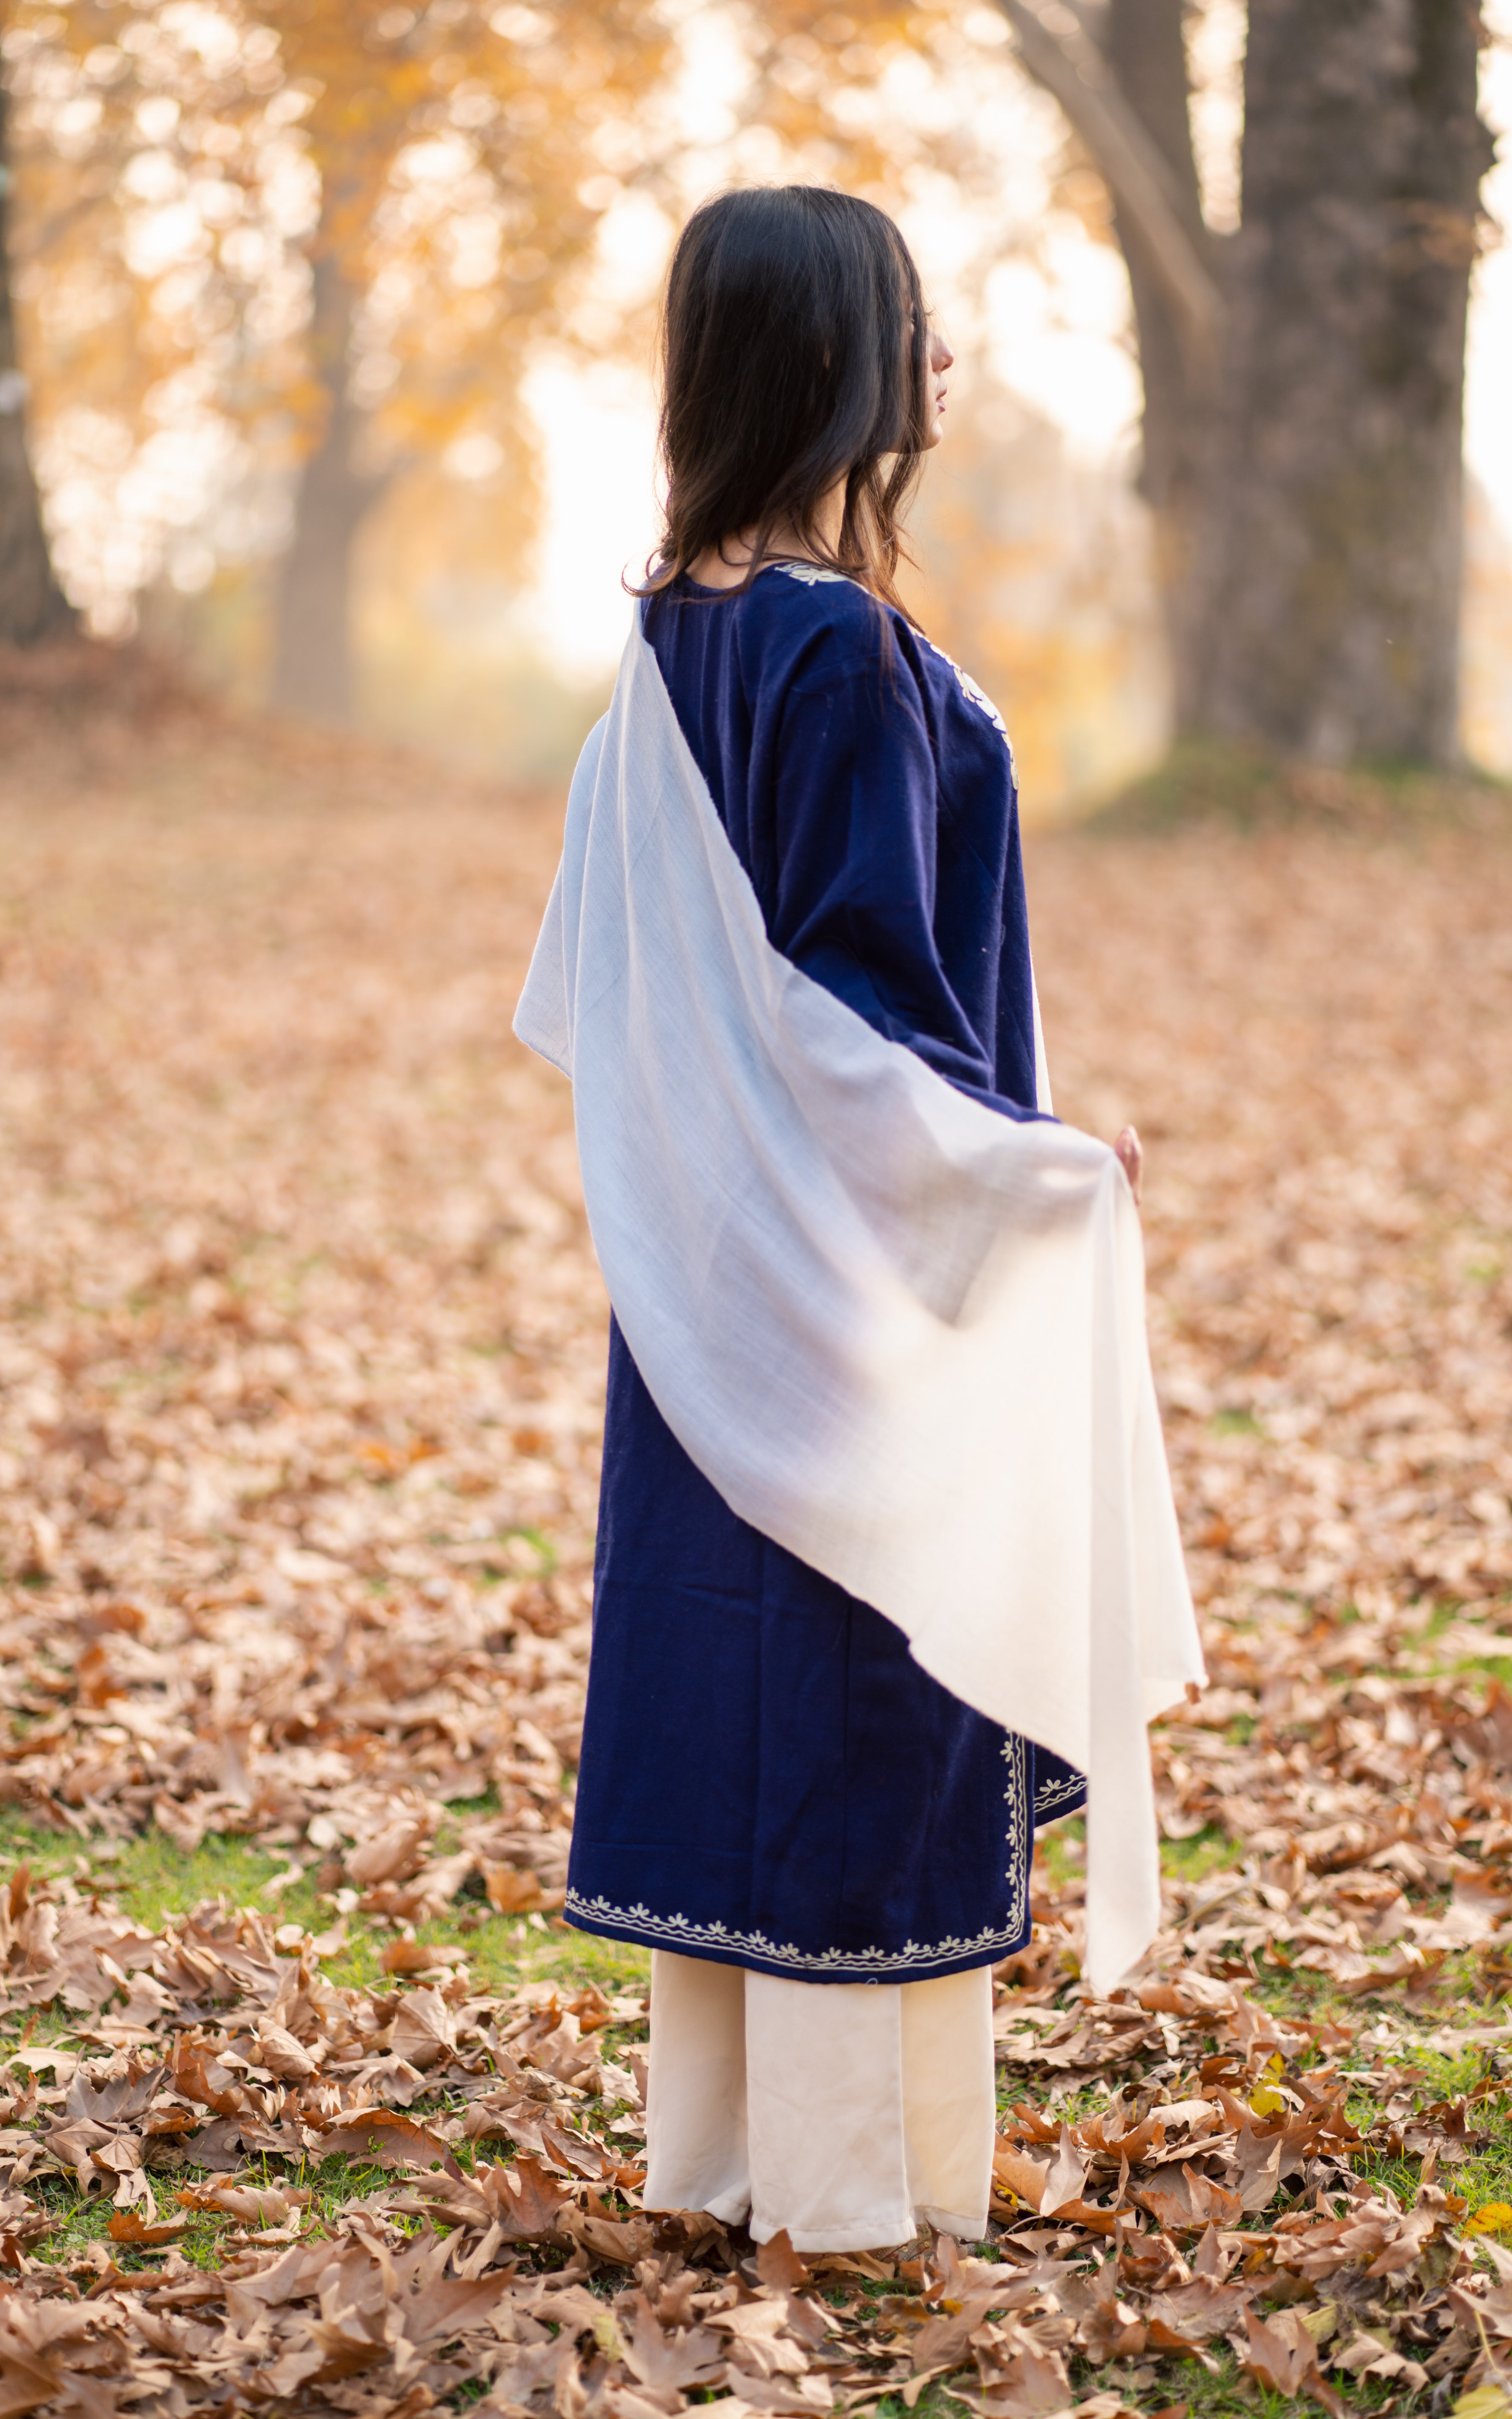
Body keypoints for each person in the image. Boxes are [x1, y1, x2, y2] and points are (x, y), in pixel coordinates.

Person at [515, 184, 1203, 2253]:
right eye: (912, 321)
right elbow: (849, 1021)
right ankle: (851, 2190)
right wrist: (1035, 1166)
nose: (947, 358)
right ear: (825, 358)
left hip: (719, 1281)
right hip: (849, 1286)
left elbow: (645, 998)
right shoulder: (823, 651)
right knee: (845, 1688)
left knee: (753, 1672)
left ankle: (735, 2164)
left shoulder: (672, 639)